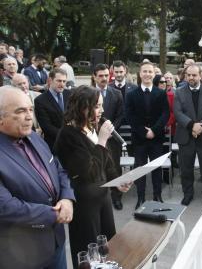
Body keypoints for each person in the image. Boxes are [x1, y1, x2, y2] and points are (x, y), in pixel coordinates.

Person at [53, 85, 131, 268]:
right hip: (84, 203)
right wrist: (102, 140)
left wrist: (117, 182)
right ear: (82, 107)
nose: (101, 111)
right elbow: (89, 172)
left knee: (108, 245)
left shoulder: (91, 127)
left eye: (101, 106)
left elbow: (106, 161)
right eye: (97, 106)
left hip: (103, 198)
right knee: (89, 250)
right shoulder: (68, 134)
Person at [0, 86, 75, 269]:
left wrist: (67, 198)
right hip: (20, 253)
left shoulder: (34, 137)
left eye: (30, 110)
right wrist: (54, 214)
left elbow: (58, 168)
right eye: (20, 111)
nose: (28, 117)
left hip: (55, 242)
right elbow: (5, 208)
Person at [174, 63, 202, 205]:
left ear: (201, 75)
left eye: (194, 75)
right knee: (186, 168)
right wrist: (192, 126)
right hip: (186, 136)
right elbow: (177, 112)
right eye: (188, 75)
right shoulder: (179, 92)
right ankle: (188, 194)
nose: (191, 78)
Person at [125, 62, 169, 209]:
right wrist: (144, 132)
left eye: (150, 72)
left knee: (156, 167)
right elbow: (130, 116)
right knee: (140, 169)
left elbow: (165, 114)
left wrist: (154, 131)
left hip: (156, 138)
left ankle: (157, 195)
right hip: (139, 139)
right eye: (144, 71)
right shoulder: (131, 95)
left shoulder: (161, 93)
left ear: (153, 74)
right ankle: (141, 197)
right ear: (140, 73)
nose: (147, 74)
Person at [93, 63, 124, 210]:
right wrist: (99, 132)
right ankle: (100, 198)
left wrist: (111, 130)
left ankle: (116, 197)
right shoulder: (90, 94)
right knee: (98, 168)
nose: (104, 78)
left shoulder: (116, 93)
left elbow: (120, 115)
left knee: (115, 168)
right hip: (94, 137)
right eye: (101, 76)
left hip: (113, 138)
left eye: (106, 75)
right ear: (95, 77)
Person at [34, 68, 70, 151]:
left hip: (72, 144)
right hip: (54, 145)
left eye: (64, 81)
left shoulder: (69, 94)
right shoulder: (40, 100)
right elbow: (46, 127)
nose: (62, 84)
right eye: (59, 81)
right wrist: (67, 136)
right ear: (50, 80)